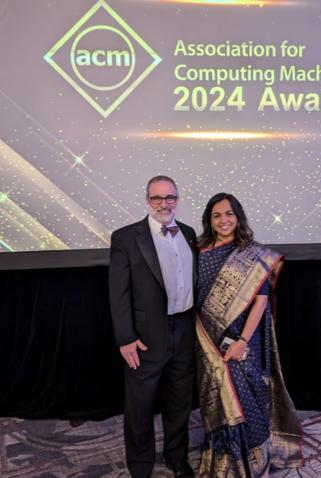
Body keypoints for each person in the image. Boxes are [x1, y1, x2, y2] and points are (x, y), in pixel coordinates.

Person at [194, 192, 303, 477]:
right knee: (217, 399)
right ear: (209, 220)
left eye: (229, 214)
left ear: (238, 217)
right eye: (216, 215)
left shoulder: (253, 254)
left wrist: (242, 341)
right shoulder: (198, 251)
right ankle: (223, 463)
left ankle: (253, 464)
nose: (223, 220)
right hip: (207, 340)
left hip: (245, 337)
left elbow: (260, 301)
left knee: (249, 397)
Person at [109, 175, 196, 478]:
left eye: (169, 197)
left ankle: (176, 457)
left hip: (184, 330)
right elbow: (118, 292)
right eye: (157, 198)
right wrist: (125, 338)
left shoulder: (188, 233)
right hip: (145, 338)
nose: (164, 203)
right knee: (140, 407)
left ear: (177, 199)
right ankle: (140, 464)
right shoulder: (125, 237)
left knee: (180, 402)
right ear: (147, 200)